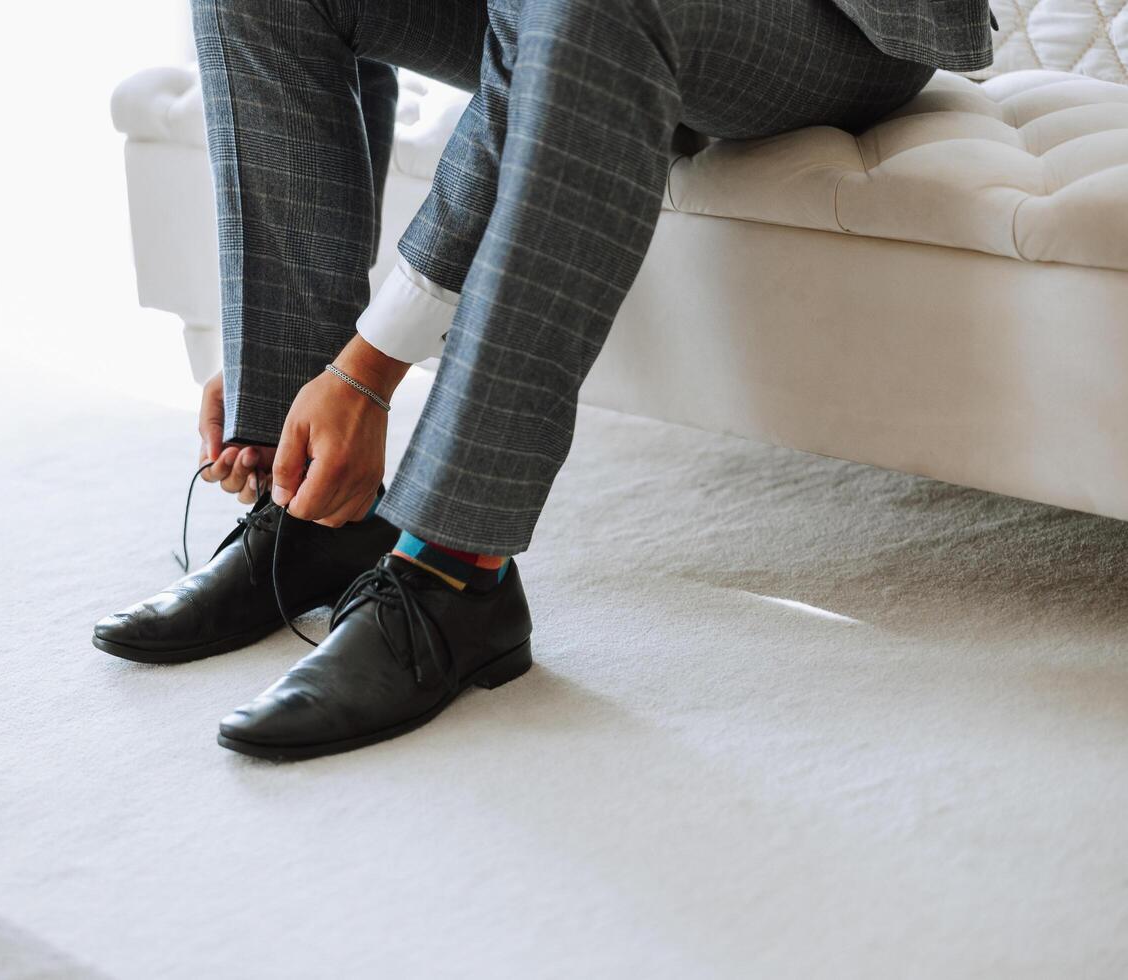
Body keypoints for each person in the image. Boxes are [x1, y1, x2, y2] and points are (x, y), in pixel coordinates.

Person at [94, 0, 996, 760]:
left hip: (841, 26)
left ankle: (457, 574)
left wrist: (367, 367)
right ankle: (308, 504)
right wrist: (285, 372)